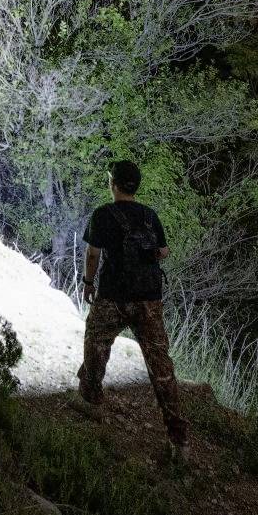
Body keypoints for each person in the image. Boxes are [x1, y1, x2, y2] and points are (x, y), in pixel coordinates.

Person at [78, 159, 189, 458]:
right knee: (161, 366)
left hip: (113, 295)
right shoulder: (150, 216)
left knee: (96, 341)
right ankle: (178, 439)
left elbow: (93, 253)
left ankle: (91, 398)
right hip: (149, 300)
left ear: (113, 184)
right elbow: (163, 251)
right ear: (136, 186)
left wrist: (88, 282)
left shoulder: (102, 214)